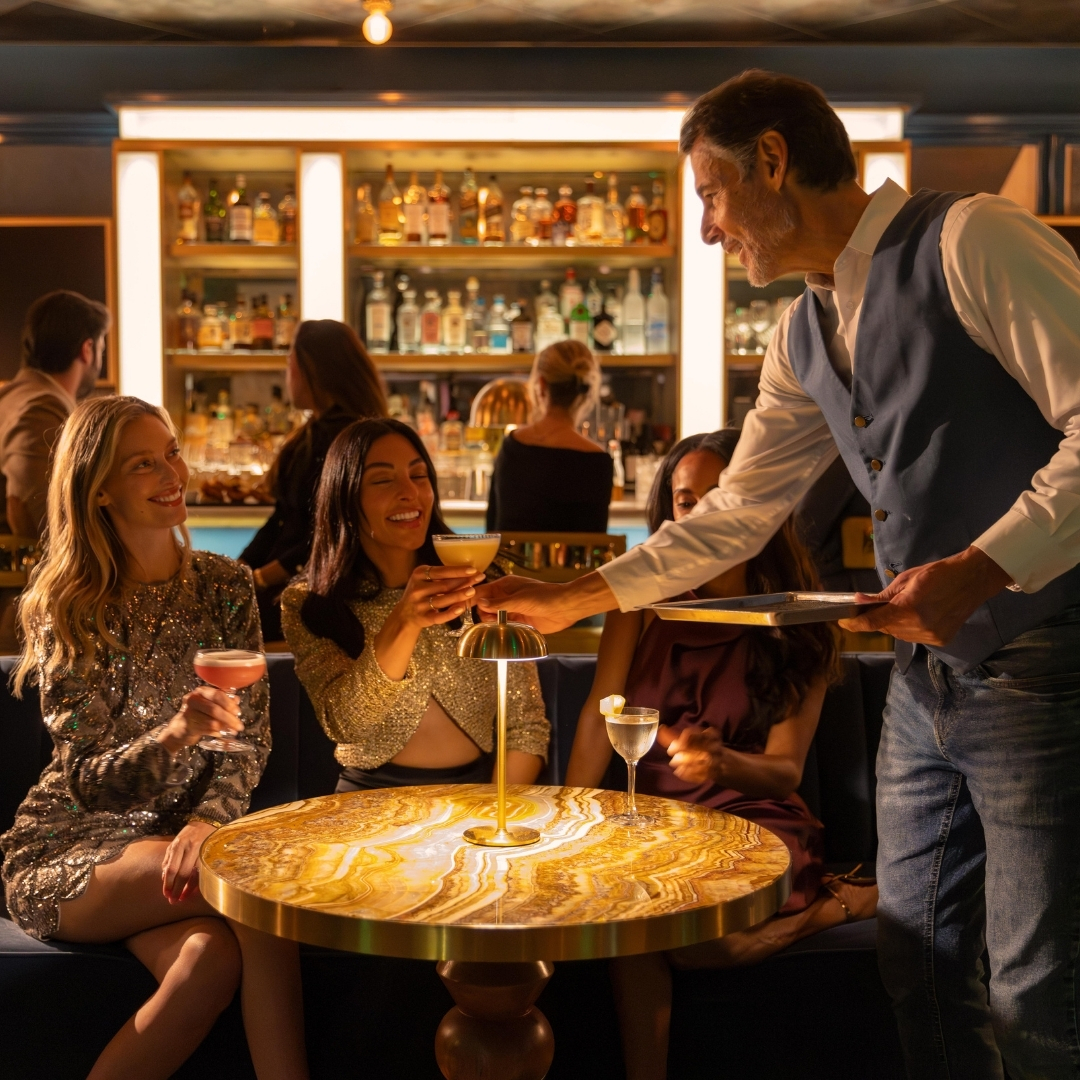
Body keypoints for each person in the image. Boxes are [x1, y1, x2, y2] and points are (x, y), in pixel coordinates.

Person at [478, 70, 1080, 1080]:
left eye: (711, 194)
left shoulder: (971, 240)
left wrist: (982, 569)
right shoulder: (803, 333)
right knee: (918, 963)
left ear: (772, 160)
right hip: (925, 687)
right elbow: (740, 515)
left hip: (1040, 659)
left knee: (1037, 990)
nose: (709, 230)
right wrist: (574, 598)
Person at [0, 396, 308, 1080]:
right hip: (73, 843)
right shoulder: (69, 607)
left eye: (171, 451)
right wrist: (174, 735)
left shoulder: (226, 586)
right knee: (259, 897)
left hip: (179, 846)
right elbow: (86, 782)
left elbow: (248, 738)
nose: (173, 472)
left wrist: (207, 821)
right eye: (144, 463)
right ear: (100, 489)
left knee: (209, 963)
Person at [566, 429, 875, 1080]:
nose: (701, 515)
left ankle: (830, 906)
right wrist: (567, 808)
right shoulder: (638, 600)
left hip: (752, 818)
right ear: (669, 513)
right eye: (685, 501)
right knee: (637, 910)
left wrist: (722, 762)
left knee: (709, 942)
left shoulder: (800, 620)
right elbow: (601, 716)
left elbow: (785, 769)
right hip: (646, 820)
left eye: (719, 497)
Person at [281, 417, 549, 792]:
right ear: (345, 496)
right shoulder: (310, 603)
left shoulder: (482, 578)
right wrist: (403, 622)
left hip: (479, 795)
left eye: (419, 476)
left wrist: (493, 810)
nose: (409, 492)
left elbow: (527, 728)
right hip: (367, 803)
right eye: (382, 479)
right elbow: (345, 723)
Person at [240, 319, 388, 641]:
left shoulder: (341, 437)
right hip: (301, 582)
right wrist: (242, 570)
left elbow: (331, 528)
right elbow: (284, 517)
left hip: (318, 590)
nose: (287, 376)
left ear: (314, 371)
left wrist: (261, 575)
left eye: (290, 365)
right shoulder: (317, 433)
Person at [0, 290, 109, 650]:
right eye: (102, 346)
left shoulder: (12, 396)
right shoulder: (41, 409)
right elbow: (39, 515)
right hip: (23, 608)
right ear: (87, 349)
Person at [485, 340, 612, 533]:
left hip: (510, 564)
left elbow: (492, 530)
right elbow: (594, 545)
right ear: (587, 391)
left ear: (541, 385)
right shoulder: (598, 461)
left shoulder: (513, 448)